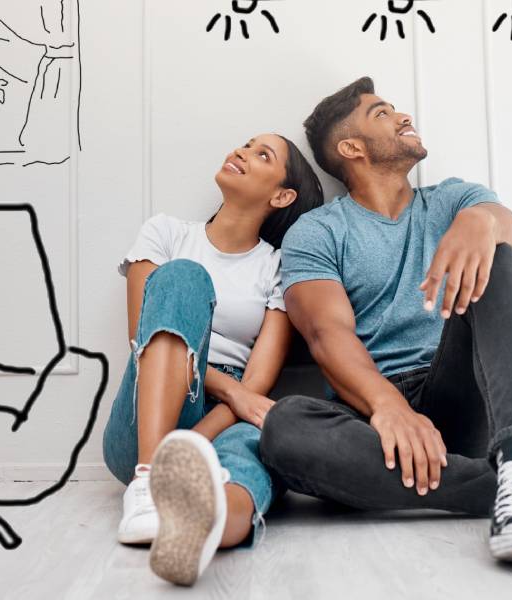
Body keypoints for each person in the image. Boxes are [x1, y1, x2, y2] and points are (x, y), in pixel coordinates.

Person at [258, 77, 512, 565]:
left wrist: (483, 222)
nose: (404, 116)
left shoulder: (453, 199)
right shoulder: (318, 230)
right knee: (283, 427)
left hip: (460, 397)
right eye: (382, 114)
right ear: (351, 147)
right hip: (372, 415)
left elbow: (504, 225)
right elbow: (327, 333)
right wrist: (390, 406)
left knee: (500, 258)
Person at [102, 133, 323, 585]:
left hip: (228, 415)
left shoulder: (278, 266)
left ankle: (210, 522)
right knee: (184, 277)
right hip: (149, 408)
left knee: (253, 452)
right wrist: (229, 393)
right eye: (245, 144)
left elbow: (258, 381)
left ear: (281, 196)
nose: (241, 152)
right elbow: (141, 337)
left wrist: (199, 440)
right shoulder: (165, 233)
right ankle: (148, 480)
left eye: (263, 154)